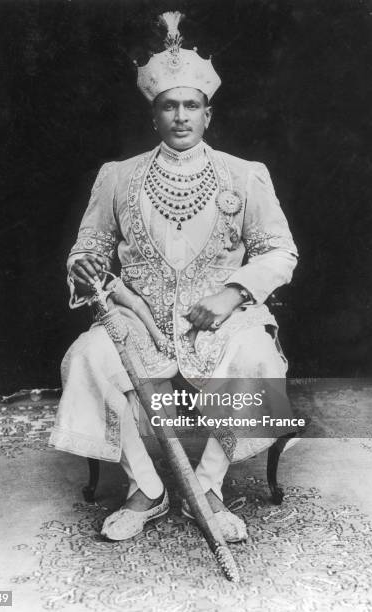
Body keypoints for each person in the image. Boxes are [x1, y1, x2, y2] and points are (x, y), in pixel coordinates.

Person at [49, 12, 298, 543]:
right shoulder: (116, 177)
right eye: (169, 106)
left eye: (191, 106)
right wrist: (85, 265)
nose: (181, 116)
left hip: (222, 322)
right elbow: (86, 249)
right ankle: (148, 489)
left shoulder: (245, 174)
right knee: (88, 355)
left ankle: (206, 486)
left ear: (208, 114)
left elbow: (280, 251)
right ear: (154, 116)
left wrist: (233, 293)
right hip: (141, 323)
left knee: (258, 356)